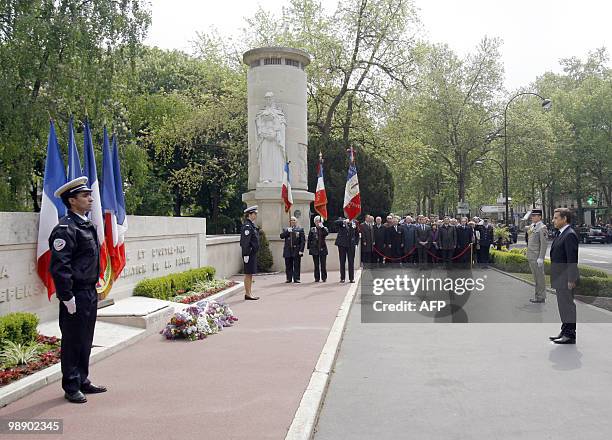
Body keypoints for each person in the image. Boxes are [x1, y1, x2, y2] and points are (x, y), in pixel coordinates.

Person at [49, 176, 106, 404]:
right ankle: (71, 385)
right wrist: (67, 296)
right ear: (72, 201)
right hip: (75, 294)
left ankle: (82, 379)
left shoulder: (87, 224)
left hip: (89, 291)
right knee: (73, 340)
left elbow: (90, 259)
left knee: (86, 338)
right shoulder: (65, 228)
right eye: (85, 196)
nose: (90, 199)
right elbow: (60, 267)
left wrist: (96, 281)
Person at [549, 208, 579, 344]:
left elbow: (572, 259)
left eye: (556, 218)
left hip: (565, 277)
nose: (553, 220)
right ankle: (564, 330)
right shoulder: (561, 233)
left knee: (568, 305)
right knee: (562, 305)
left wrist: (571, 279)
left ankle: (570, 334)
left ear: (564, 219)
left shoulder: (569, 235)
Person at [526, 209, 548, 303]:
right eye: (532, 216)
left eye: (535, 216)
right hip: (531, 255)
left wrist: (541, 257)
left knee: (540, 278)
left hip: (537, 256)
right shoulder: (532, 226)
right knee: (535, 277)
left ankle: (541, 296)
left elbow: (544, 244)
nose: (532, 217)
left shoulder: (542, 228)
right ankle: (537, 296)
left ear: (539, 217)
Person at [240, 205, 260, 300]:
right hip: (249, 253)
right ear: (249, 214)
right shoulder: (247, 226)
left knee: (250, 274)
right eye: (254, 214)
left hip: (252, 253)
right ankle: (248, 293)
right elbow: (245, 243)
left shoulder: (251, 226)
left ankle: (249, 293)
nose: (255, 215)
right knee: (248, 274)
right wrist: (246, 254)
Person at [280, 216, 306, 283]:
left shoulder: (300, 229)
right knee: (288, 265)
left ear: (296, 221)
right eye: (291, 220)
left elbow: (303, 241)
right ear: (289, 222)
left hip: (296, 249)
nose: (292, 221)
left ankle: (296, 278)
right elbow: (281, 236)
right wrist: (287, 232)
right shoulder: (286, 229)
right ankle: (289, 278)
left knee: (297, 265)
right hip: (288, 250)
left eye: (294, 220)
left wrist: (301, 250)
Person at [335, 217, 359, 283]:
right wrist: (344, 221)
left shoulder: (355, 222)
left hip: (351, 245)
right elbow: (336, 223)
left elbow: (357, 234)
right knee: (342, 261)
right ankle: (342, 278)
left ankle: (351, 278)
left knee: (351, 262)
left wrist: (356, 243)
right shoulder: (341, 219)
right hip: (342, 245)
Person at [307, 215, 329, 282]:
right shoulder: (312, 229)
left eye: (319, 221)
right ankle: (317, 278)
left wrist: (322, 227)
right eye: (316, 221)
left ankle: (324, 278)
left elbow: (326, 233)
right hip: (314, 249)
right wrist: (309, 247)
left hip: (322, 248)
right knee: (316, 265)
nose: (317, 222)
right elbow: (309, 239)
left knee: (323, 264)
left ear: (321, 222)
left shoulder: (324, 228)